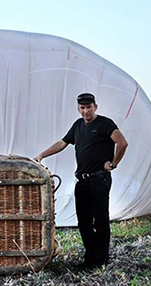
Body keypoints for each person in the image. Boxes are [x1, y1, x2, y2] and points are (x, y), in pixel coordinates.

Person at [34, 92, 128, 268]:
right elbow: (62, 143)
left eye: (89, 107)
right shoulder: (77, 125)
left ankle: (101, 260)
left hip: (99, 178)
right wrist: (42, 155)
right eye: (82, 108)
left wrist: (113, 164)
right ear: (79, 109)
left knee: (100, 220)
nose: (86, 111)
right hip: (82, 180)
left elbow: (122, 143)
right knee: (83, 222)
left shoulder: (105, 123)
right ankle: (90, 258)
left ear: (95, 107)